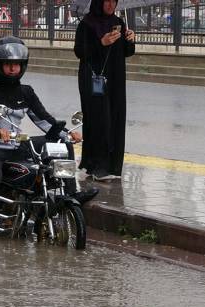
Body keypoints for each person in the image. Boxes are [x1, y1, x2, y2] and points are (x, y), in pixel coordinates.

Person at [0, 36, 99, 230]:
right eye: (7, 64)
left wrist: (67, 134)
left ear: (23, 66)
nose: (12, 68)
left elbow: (43, 119)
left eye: (16, 64)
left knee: (61, 145)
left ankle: (69, 194)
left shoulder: (26, 92)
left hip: (16, 145)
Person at [74, 0, 136, 181]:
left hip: (115, 79)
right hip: (93, 80)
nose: (110, 5)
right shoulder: (87, 24)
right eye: (106, 1)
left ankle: (112, 166)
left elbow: (126, 52)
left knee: (115, 118)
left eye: (113, 1)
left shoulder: (119, 22)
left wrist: (130, 40)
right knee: (99, 120)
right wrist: (101, 42)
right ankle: (96, 166)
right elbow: (79, 51)